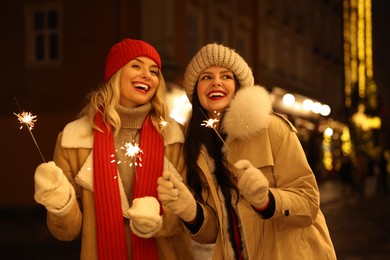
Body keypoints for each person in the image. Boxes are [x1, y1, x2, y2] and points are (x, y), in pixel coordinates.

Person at [157, 43, 336, 259]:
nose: (216, 82)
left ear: (238, 85)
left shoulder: (271, 127)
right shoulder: (197, 146)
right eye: (206, 77)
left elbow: (308, 204)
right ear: (195, 90)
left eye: (226, 76)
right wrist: (190, 210)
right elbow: (214, 232)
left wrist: (267, 200)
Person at [33, 38, 193, 260]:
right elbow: (68, 231)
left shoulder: (173, 137)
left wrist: (160, 219)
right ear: (115, 73)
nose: (147, 75)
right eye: (136, 66)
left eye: (154, 71)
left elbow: (186, 212)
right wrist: (60, 203)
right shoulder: (74, 140)